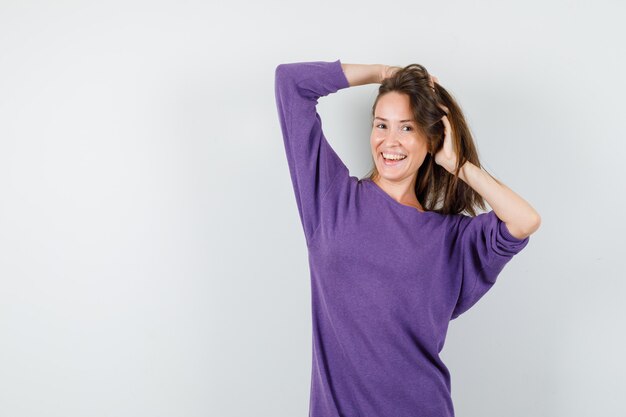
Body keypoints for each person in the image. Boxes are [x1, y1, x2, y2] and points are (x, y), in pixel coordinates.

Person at [273, 59, 541, 417]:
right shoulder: (331, 200)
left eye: (407, 128)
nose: (390, 141)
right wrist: (383, 73)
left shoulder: (450, 238)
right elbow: (291, 83)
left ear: (432, 140)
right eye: (381, 125)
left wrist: (458, 165)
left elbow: (524, 220)